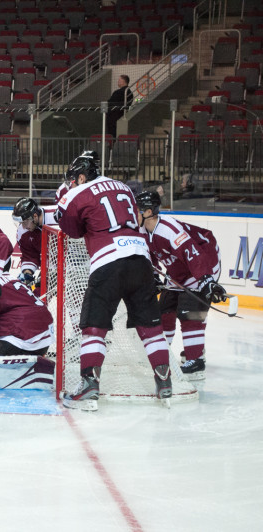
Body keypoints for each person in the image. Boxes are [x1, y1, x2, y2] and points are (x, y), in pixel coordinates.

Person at [55, 151, 173, 410]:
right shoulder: (124, 187)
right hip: (141, 260)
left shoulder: (76, 192)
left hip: (107, 262)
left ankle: (89, 385)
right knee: (150, 327)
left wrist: (66, 195)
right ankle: (164, 381)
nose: (73, 183)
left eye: (75, 179)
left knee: (94, 326)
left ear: (82, 176)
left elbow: (70, 229)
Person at [135, 191, 225, 381]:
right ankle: (162, 354)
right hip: (179, 268)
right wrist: (153, 276)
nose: (133, 214)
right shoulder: (143, 229)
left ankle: (196, 360)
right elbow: (149, 254)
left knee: (190, 309)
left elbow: (192, 253)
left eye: (137, 210)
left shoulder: (169, 229)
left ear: (149, 212)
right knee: (165, 308)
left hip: (204, 259)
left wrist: (206, 280)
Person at [11, 197, 57, 288]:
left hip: (77, 265)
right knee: (34, 292)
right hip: (52, 270)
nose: (23, 227)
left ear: (35, 216)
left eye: (25, 222)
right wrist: (27, 274)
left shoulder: (57, 215)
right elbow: (30, 256)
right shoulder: (23, 232)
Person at [107, 75, 133, 139]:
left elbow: (110, 103)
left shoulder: (118, 92)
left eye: (119, 80)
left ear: (124, 82)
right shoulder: (130, 93)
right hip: (121, 115)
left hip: (113, 118)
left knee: (112, 135)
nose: (118, 82)